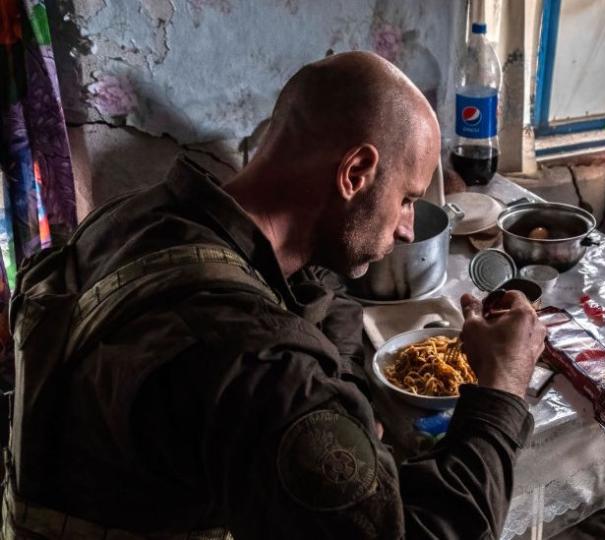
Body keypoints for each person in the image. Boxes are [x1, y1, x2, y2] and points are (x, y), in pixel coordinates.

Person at [4, 52, 546, 539]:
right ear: (355, 173)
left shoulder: (132, 218)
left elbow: (308, 299)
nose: (408, 229)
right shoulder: (264, 370)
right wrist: (501, 389)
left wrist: (350, 397)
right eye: (406, 199)